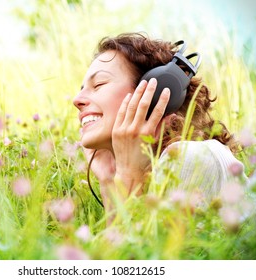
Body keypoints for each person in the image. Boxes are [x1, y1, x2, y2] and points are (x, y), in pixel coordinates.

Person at [72, 32, 246, 223]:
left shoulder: (192, 158)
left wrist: (129, 177)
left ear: (156, 94)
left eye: (98, 84)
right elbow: (116, 250)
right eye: (82, 89)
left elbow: (145, 251)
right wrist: (108, 182)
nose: (77, 100)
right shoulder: (150, 172)